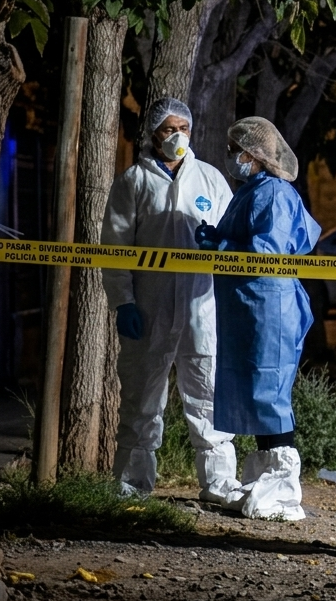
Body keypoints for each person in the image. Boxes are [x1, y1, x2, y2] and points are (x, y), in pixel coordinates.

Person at [102, 97, 241, 503]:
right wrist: (123, 301)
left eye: (184, 128)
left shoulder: (211, 180)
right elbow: (115, 247)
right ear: (153, 133)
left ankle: (218, 484)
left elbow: (232, 243)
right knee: (142, 396)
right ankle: (131, 484)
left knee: (208, 396)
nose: (177, 136)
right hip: (150, 309)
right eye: (169, 129)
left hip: (202, 309)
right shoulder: (133, 182)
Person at [196, 116, 321, 521]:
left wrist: (224, 242)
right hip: (253, 308)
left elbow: (266, 251)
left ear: (255, 155)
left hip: (270, 308)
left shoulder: (274, 193)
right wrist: (221, 239)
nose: (231, 158)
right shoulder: (253, 190)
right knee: (257, 389)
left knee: (270, 392)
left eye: (237, 151)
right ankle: (269, 474)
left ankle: (284, 486)